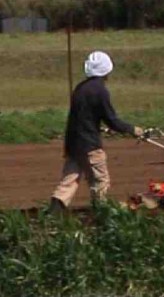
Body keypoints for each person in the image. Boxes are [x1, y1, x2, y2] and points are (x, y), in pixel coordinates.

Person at [47, 50, 144, 213]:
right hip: (90, 145)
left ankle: (53, 212)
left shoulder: (80, 88)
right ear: (107, 70)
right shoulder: (100, 91)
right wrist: (132, 129)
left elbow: (84, 117)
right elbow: (112, 119)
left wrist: (99, 127)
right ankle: (101, 212)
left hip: (73, 144)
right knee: (100, 180)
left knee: (69, 181)